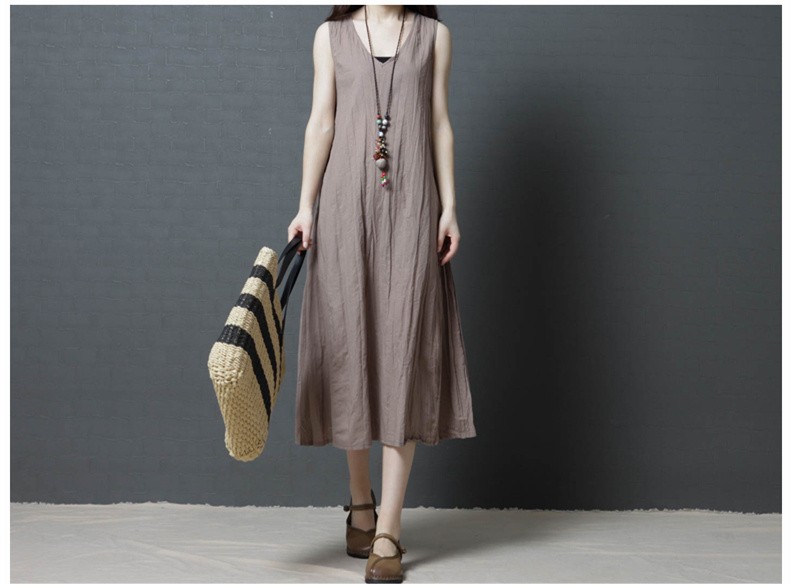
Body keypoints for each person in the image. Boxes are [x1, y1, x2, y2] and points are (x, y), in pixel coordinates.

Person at [287, 5, 476, 582]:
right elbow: (322, 122)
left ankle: (388, 529)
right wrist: (305, 205)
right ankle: (361, 502)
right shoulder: (330, 36)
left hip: (414, 205)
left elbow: (439, 123)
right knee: (351, 349)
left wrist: (449, 206)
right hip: (346, 207)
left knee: (404, 355)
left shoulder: (435, 36)